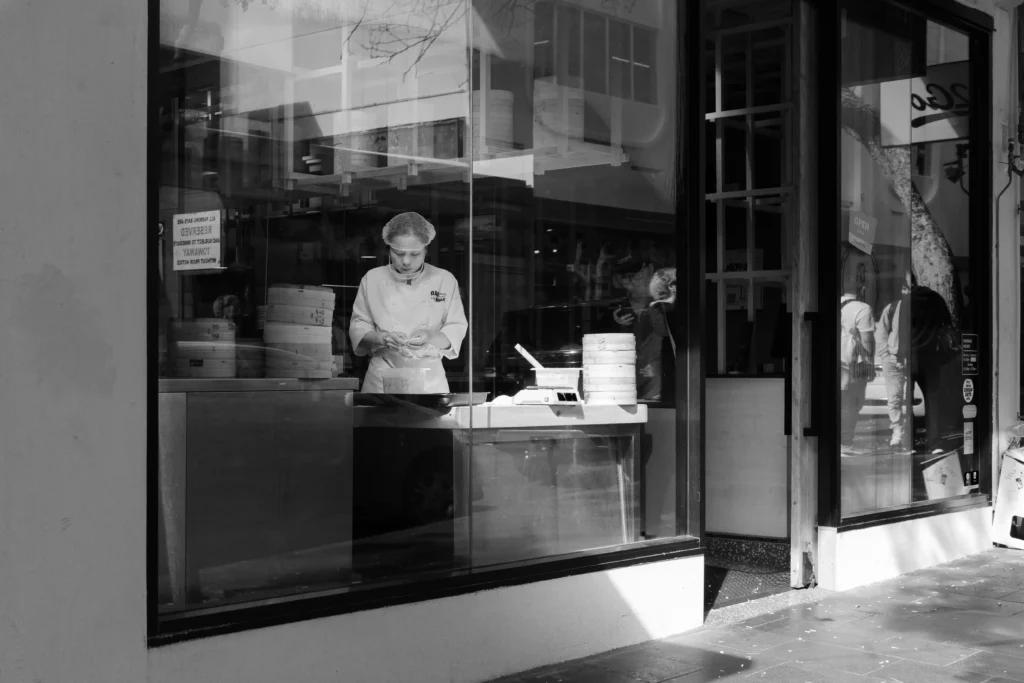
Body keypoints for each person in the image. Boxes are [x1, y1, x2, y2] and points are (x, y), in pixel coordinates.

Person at [349, 212, 468, 393]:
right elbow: (359, 327)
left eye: (414, 254)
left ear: (426, 250)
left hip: (429, 378)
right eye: (398, 253)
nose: (406, 261)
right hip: (382, 376)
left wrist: (429, 336)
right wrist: (383, 338)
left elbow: (455, 329)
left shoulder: (444, 279)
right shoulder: (373, 279)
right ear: (389, 249)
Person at [874, 272, 912, 453]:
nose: (908, 292)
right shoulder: (892, 308)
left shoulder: (915, 309)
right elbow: (881, 332)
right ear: (902, 289)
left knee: (908, 398)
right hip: (893, 358)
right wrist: (885, 354)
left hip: (911, 359)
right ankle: (897, 430)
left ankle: (907, 431)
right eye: (906, 288)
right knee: (894, 397)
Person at [840, 279, 875, 453]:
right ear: (861, 289)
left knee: (839, 402)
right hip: (851, 363)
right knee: (852, 403)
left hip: (834, 360)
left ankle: (838, 442)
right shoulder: (863, 308)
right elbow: (867, 340)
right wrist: (870, 365)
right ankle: (846, 444)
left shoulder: (834, 303)